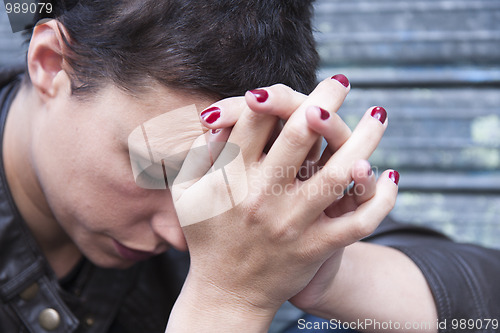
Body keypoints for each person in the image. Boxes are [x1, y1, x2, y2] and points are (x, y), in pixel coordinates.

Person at [0, 1, 498, 333]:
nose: (182, 232)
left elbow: (484, 302)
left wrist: (320, 266)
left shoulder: (234, 214)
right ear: (50, 63)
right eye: (161, 170)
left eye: (221, 179)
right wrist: (225, 300)